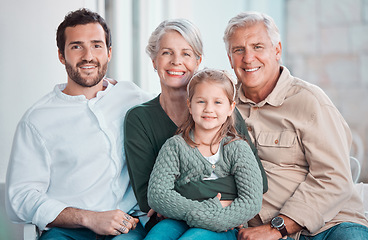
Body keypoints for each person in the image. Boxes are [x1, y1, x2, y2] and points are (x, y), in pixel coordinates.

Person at [6, 8, 152, 240]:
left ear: (109, 52)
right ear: (61, 55)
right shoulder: (37, 120)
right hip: (67, 231)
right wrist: (88, 218)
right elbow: (21, 197)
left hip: (127, 226)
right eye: (76, 46)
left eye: (96, 45)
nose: (88, 56)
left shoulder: (132, 96)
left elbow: (176, 114)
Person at [223, 11, 368, 240]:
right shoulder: (223, 106)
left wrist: (276, 228)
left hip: (332, 225)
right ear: (230, 58)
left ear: (277, 50)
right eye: (238, 50)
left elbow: (334, 178)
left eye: (258, 46)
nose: (248, 58)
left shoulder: (309, 101)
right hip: (259, 230)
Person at [124, 19, 268, 232]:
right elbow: (150, 199)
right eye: (166, 53)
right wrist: (216, 200)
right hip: (167, 224)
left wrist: (181, 194)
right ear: (154, 60)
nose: (176, 61)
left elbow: (258, 184)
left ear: (198, 61)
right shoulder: (139, 118)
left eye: (186, 53)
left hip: (221, 222)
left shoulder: (224, 114)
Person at [144, 69, 263, 240]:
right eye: (201, 101)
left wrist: (216, 220)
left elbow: (251, 201)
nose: (209, 109)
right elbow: (158, 194)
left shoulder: (238, 149)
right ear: (189, 105)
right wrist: (200, 212)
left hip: (224, 224)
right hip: (179, 218)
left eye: (217, 102)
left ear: (230, 108)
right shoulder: (175, 146)